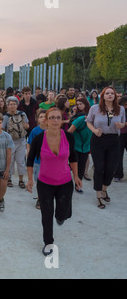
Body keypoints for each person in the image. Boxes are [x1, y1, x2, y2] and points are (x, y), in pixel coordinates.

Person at [26, 108, 82, 256]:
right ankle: (48, 242)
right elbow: (30, 160)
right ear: (46, 121)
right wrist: (30, 180)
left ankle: (61, 216)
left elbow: (74, 158)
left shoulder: (69, 137)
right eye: (52, 118)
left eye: (58, 117)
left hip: (65, 182)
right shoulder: (39, 139)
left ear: (62, 120)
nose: (55, 120)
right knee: (46, 214)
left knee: (63, 214)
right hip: (45, 183)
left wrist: (76, 177)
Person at [86, 86, 126, 209]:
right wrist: (94, 130)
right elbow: (88, 122)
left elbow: (124, 122)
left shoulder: (120, 109)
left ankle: (104, 189)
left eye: (112, 93)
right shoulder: (95, 108)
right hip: (98, 139)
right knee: (99, 168)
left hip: (114, 140)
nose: (110, 95)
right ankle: (98, 195)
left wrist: (122, 125)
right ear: (102, 96)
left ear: (115, 96)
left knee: (111, 168)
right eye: (107, 93)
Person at [3, 96, 29, 189]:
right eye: (11, 104)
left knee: (20, 161)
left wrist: (26, 126)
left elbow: (27, 125)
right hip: (10, 143)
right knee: (10, 161)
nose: (13, 106)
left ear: (17, 105)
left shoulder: (23, 114)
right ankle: (9, 179)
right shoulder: (6, 117)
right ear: (8, 106)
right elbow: (3, 129)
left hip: (21, 141)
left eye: (14, 104)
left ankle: (21, 180)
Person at [67, 98, 92, 193]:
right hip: (76, 147)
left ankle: (78, 185)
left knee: (81, 166)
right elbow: (69, 132)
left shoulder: (92, 117)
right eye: (78, 104)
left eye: (81, 104)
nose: (79, 106)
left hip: (86, 146)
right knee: (74, 165)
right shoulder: (80, 118)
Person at [26, 109, 48, 209]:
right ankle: (40, 197)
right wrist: (29, 153)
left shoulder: (52, 130)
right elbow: (29, 143)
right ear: (37, 119)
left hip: (49, 161)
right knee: (39, 180)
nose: (43, 119)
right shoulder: (35, 131)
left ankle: (43, 197)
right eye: (41, 117)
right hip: (37, 160)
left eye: (45, 117)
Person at [114, 96, 127, 181]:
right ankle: (118, 174)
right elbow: (110, 118)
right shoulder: (116, 110)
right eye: (125, 104)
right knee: (118, 155)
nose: (126, 107)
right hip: (119, 135)